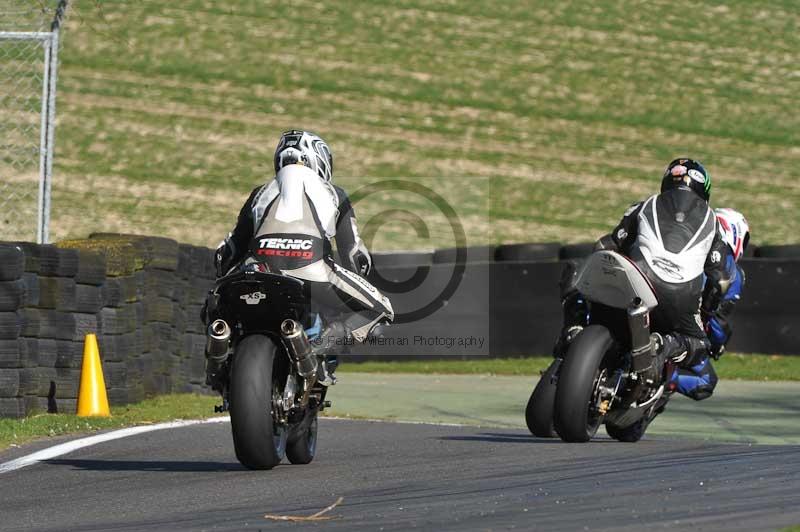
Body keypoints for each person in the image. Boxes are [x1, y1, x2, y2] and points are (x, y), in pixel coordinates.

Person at [208, 130, 394, 386]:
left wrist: (224, 280)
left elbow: (226, 253)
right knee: (381, 308)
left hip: (255, 270)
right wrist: (359, 278)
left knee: (214, 301)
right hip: (313, 271)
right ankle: (320, 348)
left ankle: (217, 354)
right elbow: (355, 257)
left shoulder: (260, 192)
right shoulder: (334, 193)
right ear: (320, 159)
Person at [557, 159, 732, 385]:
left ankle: (574, 328)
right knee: (701, 345)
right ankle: (666, 345)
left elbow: (606, 245)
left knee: (575, 270)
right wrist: (706, 308)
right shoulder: (715, 224)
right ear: (704, 189)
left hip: (636, 279)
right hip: (680, 296)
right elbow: (721, 281)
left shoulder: (645, 205)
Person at [670, 207, 749, 400]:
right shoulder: (733, 271)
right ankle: (664, 378)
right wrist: (718, 344)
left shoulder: (681, 240)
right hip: (682, 325)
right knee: (706, 381)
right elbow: (717, 320)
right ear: (736, 234)